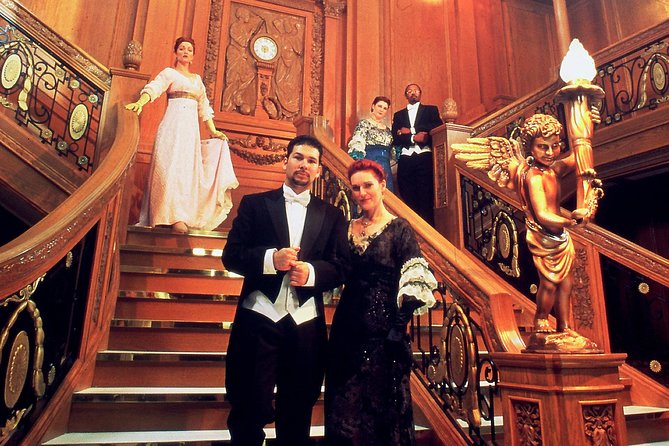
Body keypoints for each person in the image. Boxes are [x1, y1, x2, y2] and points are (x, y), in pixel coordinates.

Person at [222, 135, 350, 446]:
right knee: (248, 409)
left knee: (297, 412)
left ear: (318, 170)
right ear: (285, 161)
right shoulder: (254, 204)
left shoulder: (332, 215)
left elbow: (341, 267)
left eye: (311, 161)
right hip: (258, 320)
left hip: (306, 326)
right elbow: (232, 255)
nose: (304, 164)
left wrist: (312, 273)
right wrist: (270, 260)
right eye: (298, 157)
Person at [325, 159, 437, 445]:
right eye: (355, 188)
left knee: (384, 412)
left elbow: (414, 279)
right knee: (344, 410)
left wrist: (398, 328)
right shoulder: (345, 228)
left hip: (385, 334)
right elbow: (334, 270)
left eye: (368, 185)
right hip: (346, 330)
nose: (362, 193)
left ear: (383, 186)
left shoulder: (400, 229)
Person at [126, 37, 237, 233]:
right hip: (172, 128)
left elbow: (204, 107)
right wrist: (141, 103)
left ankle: (182, 216)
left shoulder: (197, 80)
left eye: (189, 49)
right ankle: (166, 216)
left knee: (186, 173)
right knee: (169, 169)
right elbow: (154, 87)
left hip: (190, 133)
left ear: (193, 56)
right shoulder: (169, 73)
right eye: (182, 48)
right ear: (176, 52)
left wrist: (213, 131)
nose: (186, 52)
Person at [392, 83, 443, 226]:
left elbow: (436, 126)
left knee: (426, 195)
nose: (413, 93)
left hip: (424, 157)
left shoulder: (431, 110)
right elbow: (396, 137)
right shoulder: (398, 115)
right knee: (406, 193)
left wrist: (410, 130)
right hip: (406, 158)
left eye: (415, 90)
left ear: (420, 93)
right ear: (406, 95)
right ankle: (412, 228)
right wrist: (414, 137)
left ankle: (427, 231)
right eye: (409, 91)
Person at [347, 96, 395, 193]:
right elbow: (358, 143)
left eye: (385, 108)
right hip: (370, 163)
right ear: (373, 106)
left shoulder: (387, 130)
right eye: (379, 106)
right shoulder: (364, 124)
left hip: (386, 167)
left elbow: (392, 151)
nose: (381, 110)